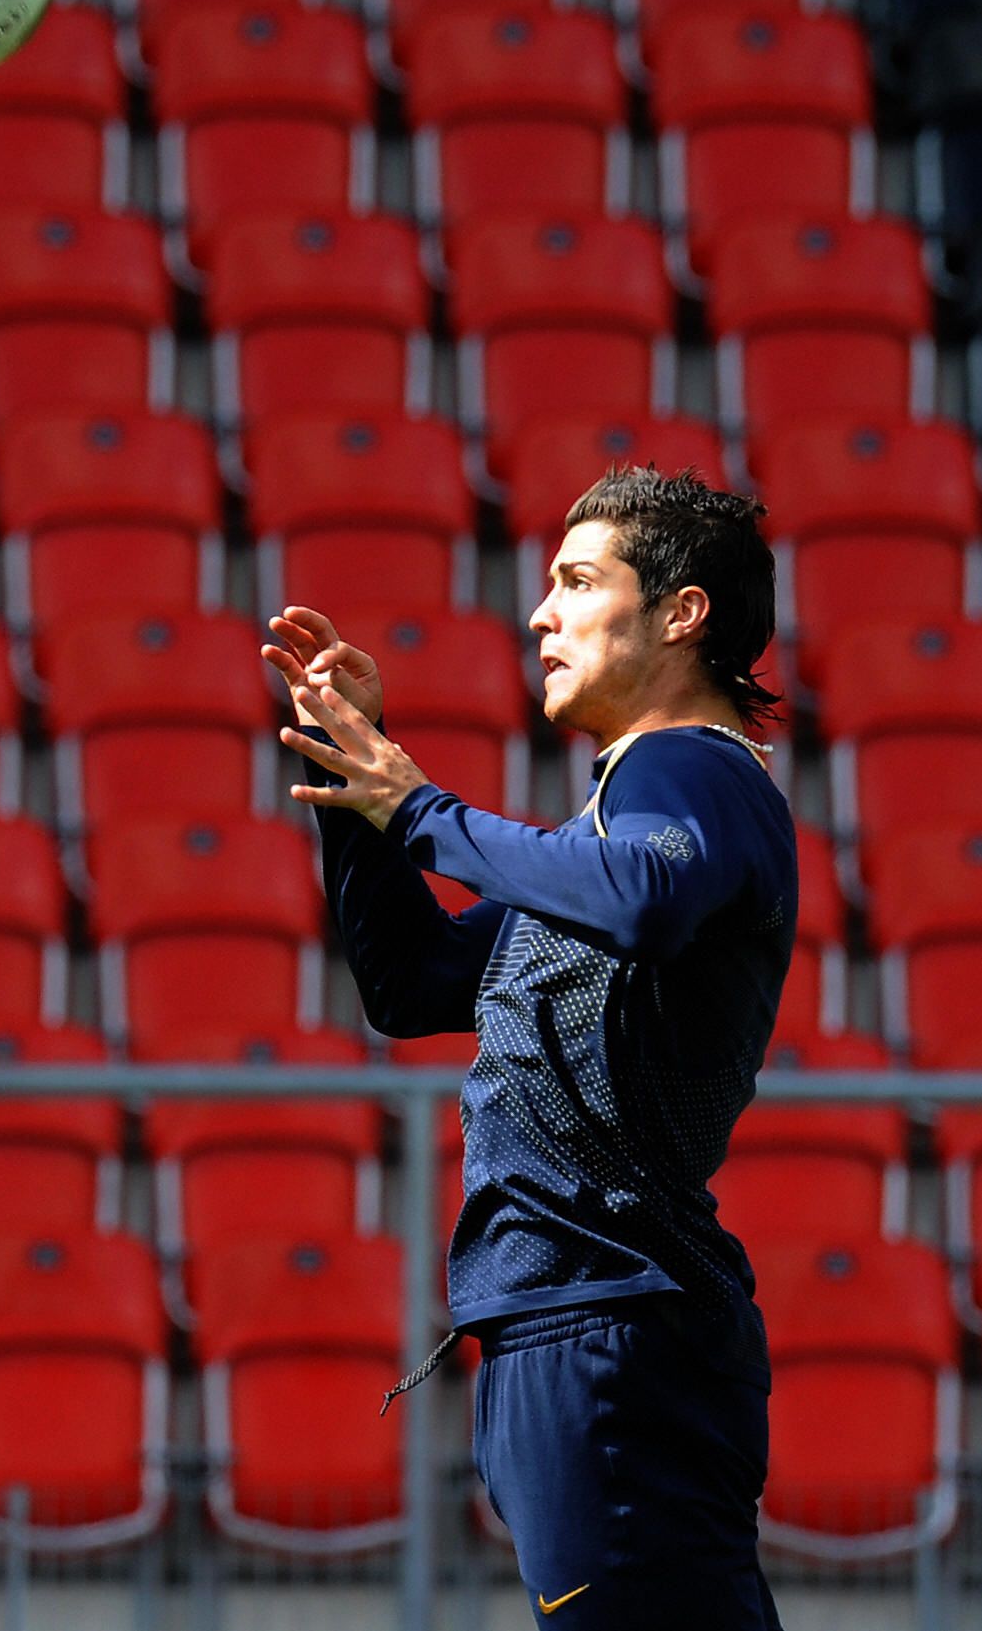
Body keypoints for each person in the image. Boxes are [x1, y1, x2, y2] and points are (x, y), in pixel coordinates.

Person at [264, 466, 795, 1630]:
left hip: (615, 1328)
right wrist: (357, 784)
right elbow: (411, 987)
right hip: (593, 1324)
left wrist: (419, 810)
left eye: (573, 580)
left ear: (680, 613)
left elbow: (645, 900)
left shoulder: (685, 770)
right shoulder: (605, 831)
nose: (538, 613)